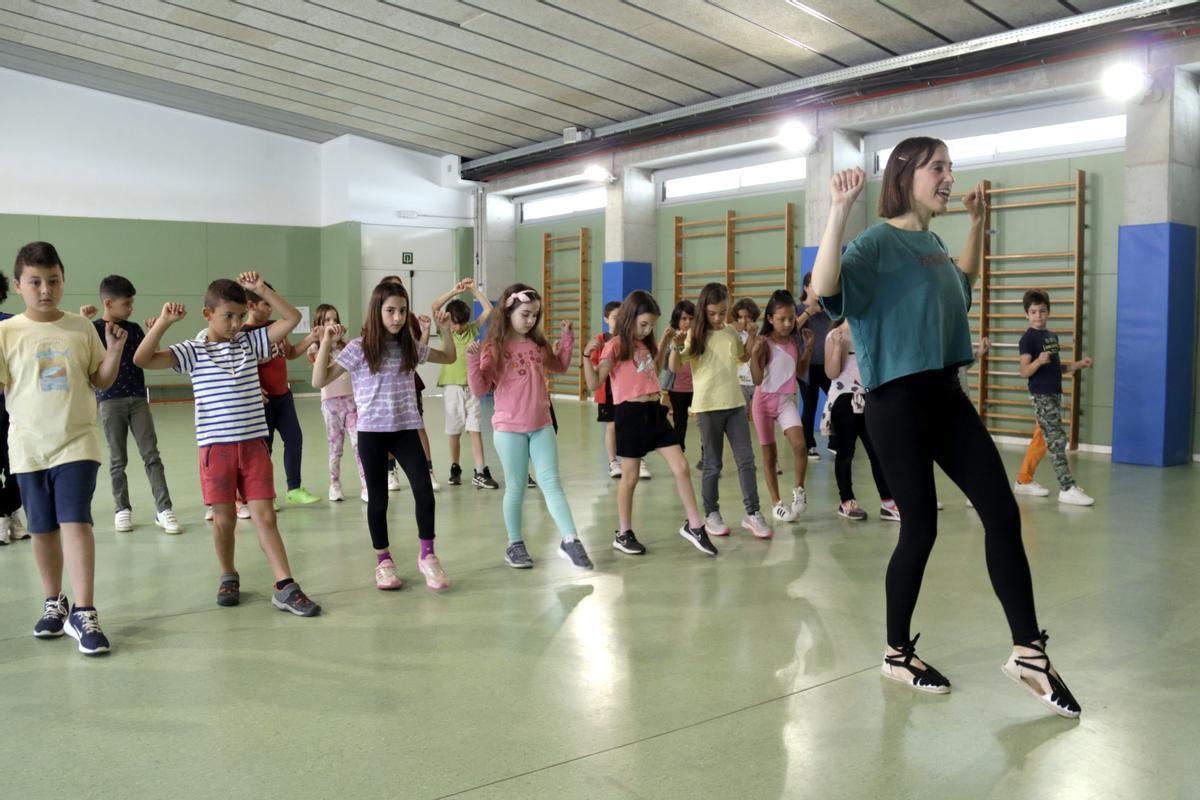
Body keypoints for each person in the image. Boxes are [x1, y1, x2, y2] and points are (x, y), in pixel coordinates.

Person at [812, 137, 1080, 718]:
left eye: (951, 168)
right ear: (907, 174)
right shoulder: (874, 243)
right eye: (939, 167)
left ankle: (1029, 653)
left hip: (946, 394)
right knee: (921, 530)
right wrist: (837, 212)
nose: (949, 177)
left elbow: (961, 286)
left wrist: (977, 224)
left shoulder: (931, 242)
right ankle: (895, 652)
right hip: (897, 403)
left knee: (1002, 512)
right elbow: (826, 290)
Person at [134, 273, 321, 618]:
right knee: (224, 522)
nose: (235, 324)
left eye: (240, 315)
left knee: (265, 516)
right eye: (227, 316)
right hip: (215, 450)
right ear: (208, 315)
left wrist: (262, 290)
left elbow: (293, 320)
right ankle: (228, 575)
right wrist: (162, 323)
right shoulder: (192, 351)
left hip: (253, 446)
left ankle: (285, 586)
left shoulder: (250, 343)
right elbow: (142, 360)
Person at [0, 242, 128, 654]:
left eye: (53, 281)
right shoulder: (6, 332)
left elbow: (101, 380)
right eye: (35, 282)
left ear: (63, 281)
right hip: (28, 446)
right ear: (19, 285)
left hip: (77, 440)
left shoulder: (79, 327)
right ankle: (54, 602)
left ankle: (84, 611)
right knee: (41, 528)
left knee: (76, 521)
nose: (45, 290)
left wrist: (115, 350)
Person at [312, 282, 456, 591]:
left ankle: (428, 556)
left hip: (405, 430)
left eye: (402, 311)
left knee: (424, 492)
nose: (397, 317)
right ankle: (384, 562)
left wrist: (444, 329)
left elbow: (449, 357)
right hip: (372, 434)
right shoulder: (358, 349)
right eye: (390, 310)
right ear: (377, 311)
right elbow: (319, 379)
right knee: (378, 500)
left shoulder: (408, 347)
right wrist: (325, 341)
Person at [582, 290, 717, 557]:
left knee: (681, 467)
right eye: (643, 324)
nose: (647, 330)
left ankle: (695, 526)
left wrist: (666, 339)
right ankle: (623, 533)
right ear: (630, 318)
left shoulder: (643, 344)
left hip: (655, 411)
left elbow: (651, 370)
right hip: (629, 415)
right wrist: (587, 358)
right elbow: (594, 383)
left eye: (651, 325)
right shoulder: (615, 345)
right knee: (630, 478)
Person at [467, 283, 591, 570]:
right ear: (508, 312)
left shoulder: (537, 344)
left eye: (535, 315)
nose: (531, 320)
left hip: (541, 425)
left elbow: (559, 366)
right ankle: (514, 543)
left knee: (551, 482)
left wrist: (567, 340)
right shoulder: (495, 348)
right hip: (509, 428)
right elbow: (480, 387)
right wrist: (473, 360)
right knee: (516, 487)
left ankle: (570, 539)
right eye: (525, 314)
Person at [80, 276, 180, 535]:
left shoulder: (134, 329)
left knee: (151, 455)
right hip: (109, 401)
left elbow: (146, 358)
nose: (131, 308)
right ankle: (122, 508)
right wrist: (82, 318)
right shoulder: (92, 329)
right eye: (126, 303)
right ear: (109, 302)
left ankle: (164, 509)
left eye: (131, 303)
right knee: (117, 458)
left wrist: (155, 333)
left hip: (137, 400)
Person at [673, 283, 772, 540]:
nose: (718, 318)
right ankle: (711, 514)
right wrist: (675, 345)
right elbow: (674, 366)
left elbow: (743, 357)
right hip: (707, 408)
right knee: (712, 465)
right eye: (713, 313)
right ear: (703, 311)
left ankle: (753, 513)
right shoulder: (695, 335)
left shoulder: (729, 331)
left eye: (723, 312)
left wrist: (751, 337)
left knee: (747, 460)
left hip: (735, 405)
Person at [242, 283, 321, 506]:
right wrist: (254, 386)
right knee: (265, 448)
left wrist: (310, 338)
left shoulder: (277, 327)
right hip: (262, 401)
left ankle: (294, 488)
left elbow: (291, 353)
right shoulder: (242, 335)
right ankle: (265, 494)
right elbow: (238, 368)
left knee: (295, 439)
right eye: (267, 304)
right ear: (251, 305)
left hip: (284, 396)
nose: (271, 309)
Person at [1016, 290, 1095, 506]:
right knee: (1057, 440)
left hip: (1054, 394)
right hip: (1042, 396)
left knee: (1042, 438)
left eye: (1042, 311)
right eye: (1033, 312)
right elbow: (1024, 371)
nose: (1038, 315)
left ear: (1048, 312)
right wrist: (1038, 362)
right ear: (1027, 315)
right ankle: (1067, 487)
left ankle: (1023, 480)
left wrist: (1078, 365)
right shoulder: (1028, 339)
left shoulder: (1051, 337)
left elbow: (1055, 368)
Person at [820, 319, 896, 521]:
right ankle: (846, 500)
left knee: (878, 451)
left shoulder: (872, 330)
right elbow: (831, 373)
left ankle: (888, 502)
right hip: (844, 399)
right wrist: (837, 346)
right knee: (845, 453)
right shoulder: (835, 334)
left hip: (870, 397)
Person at [748, 290, 812, 524]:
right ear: (770, 319)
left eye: (791, 318)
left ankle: (799, 490)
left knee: (800, 445)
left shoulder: (795, 340)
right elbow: (756, 379)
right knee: (769, 455)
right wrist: (755, 355)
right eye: (782, 319)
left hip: (785, 402)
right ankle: (776, 504)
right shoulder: (764, 343)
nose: (787, 323)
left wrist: (808, 348)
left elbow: (799, 371)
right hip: (763, 403)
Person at [430, 279, 498, 489]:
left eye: (461, 323)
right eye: (455, 322)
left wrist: (472, 290)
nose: (458, 327)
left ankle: (480, 470)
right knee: (454, 432)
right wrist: (454, 291)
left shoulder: (471, 329)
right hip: (451, 389)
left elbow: (488, 308)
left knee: (475, 429)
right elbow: (435, 306)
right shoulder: (445, 331)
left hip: (472, 388)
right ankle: (455, 467)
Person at [306, 303, 367, 503]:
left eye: (335, 319)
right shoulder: (315, 348)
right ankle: (335, 484)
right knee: (335, 447)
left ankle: (366, 484)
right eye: (327, 320)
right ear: (319, 325)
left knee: (359, 444)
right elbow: (323, 370)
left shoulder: (347, 345)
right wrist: (327, 342)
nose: (332, 323)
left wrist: (342, 343)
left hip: (352, 402)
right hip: (331, 404)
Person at [0, 270, 27, 545]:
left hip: (12, 409)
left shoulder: (12, 325)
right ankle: (4, 516)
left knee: (16, 467)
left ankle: (7, 512)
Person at [797, 273, 833, 460]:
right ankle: (809, 445)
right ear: (806, 287)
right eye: (813, 285)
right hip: (806, 365)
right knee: (809, 405)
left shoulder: (828, 308)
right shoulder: (798, 308)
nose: (818, 290)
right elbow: (792, 328)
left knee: (836, 402)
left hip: (826, 365)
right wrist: (809, 311)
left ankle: (835, 441)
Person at [589, 301, 623, 478]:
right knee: (612, 425)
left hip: (626, 391)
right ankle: (612, 462)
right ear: (606, 319)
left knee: (632, 425)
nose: (619, 321)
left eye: (622, 317)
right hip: (608, 392)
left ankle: (638, 460)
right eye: (615, 318)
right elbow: (593, 366)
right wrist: (605, 364)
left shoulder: (629, 339)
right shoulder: (600, 340)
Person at [663, 300, 696, 451]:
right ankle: (678, 451)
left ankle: (706, 455)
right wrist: (672, 342)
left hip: (698, 388)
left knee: (704, 424)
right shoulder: (672, 338)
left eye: (691, 318)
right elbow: (665, 366)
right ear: (677, 320)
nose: (687, 322)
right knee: (680, 423)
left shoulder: (700, 337)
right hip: (677, 389)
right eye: (683, 318)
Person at [732, 297, 760, 419]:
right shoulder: (734, 336)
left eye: (747, 316)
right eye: (740, 317)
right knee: (740, 418)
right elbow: (741, 356)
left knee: (758, 417)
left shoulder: (761, 335)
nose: (743, 321)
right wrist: (750, 336)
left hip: (757, 383)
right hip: (739, 382)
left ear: (753, 317)